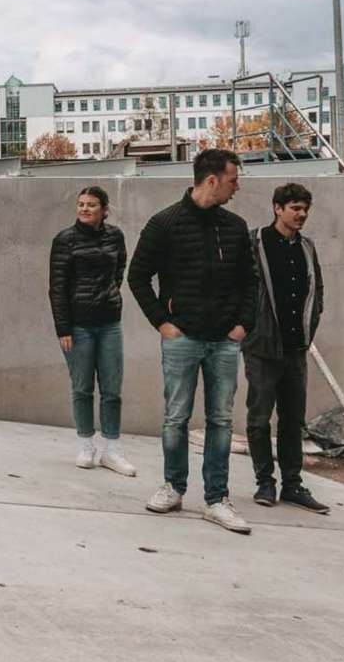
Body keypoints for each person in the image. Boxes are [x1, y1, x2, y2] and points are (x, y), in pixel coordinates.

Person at [127, 148, 258, 533]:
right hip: (182, 338)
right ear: (212, 180)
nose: (237, 187)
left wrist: (242, 325)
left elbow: (250, 281)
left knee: (220, 420)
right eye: (234, 180)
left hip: (224, 341)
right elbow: (137, 277)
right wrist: (162, 324)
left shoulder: (234, 226)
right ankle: (173, 487)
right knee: (176, 417)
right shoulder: (164, 223)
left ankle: (217, 499)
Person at [241, 182, 329, 514]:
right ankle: (265, 481)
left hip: (296, 347)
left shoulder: (307, 246)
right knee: (259, 417)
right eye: (295, 208)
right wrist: (248, 328)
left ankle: (293, 484)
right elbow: (241, 288)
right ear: (278, 208)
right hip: (262, 346)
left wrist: (311, 325)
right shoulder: (255, 241)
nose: (302, 214)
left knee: (293, 420)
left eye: (305, 208)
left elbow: (316, 289)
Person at [49, 186, 135, 477]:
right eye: (81, 204)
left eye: (92, 205)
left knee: (112, 389)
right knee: (82, 387)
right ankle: (86, 445)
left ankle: (112, 450)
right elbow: (57, 288)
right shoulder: (64, 240)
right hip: (77, 326)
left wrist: (109, 295)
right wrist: (63, 327)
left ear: (104, 210)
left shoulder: (115, 236)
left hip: (110, 323)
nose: (85, 209)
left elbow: (119, 270)